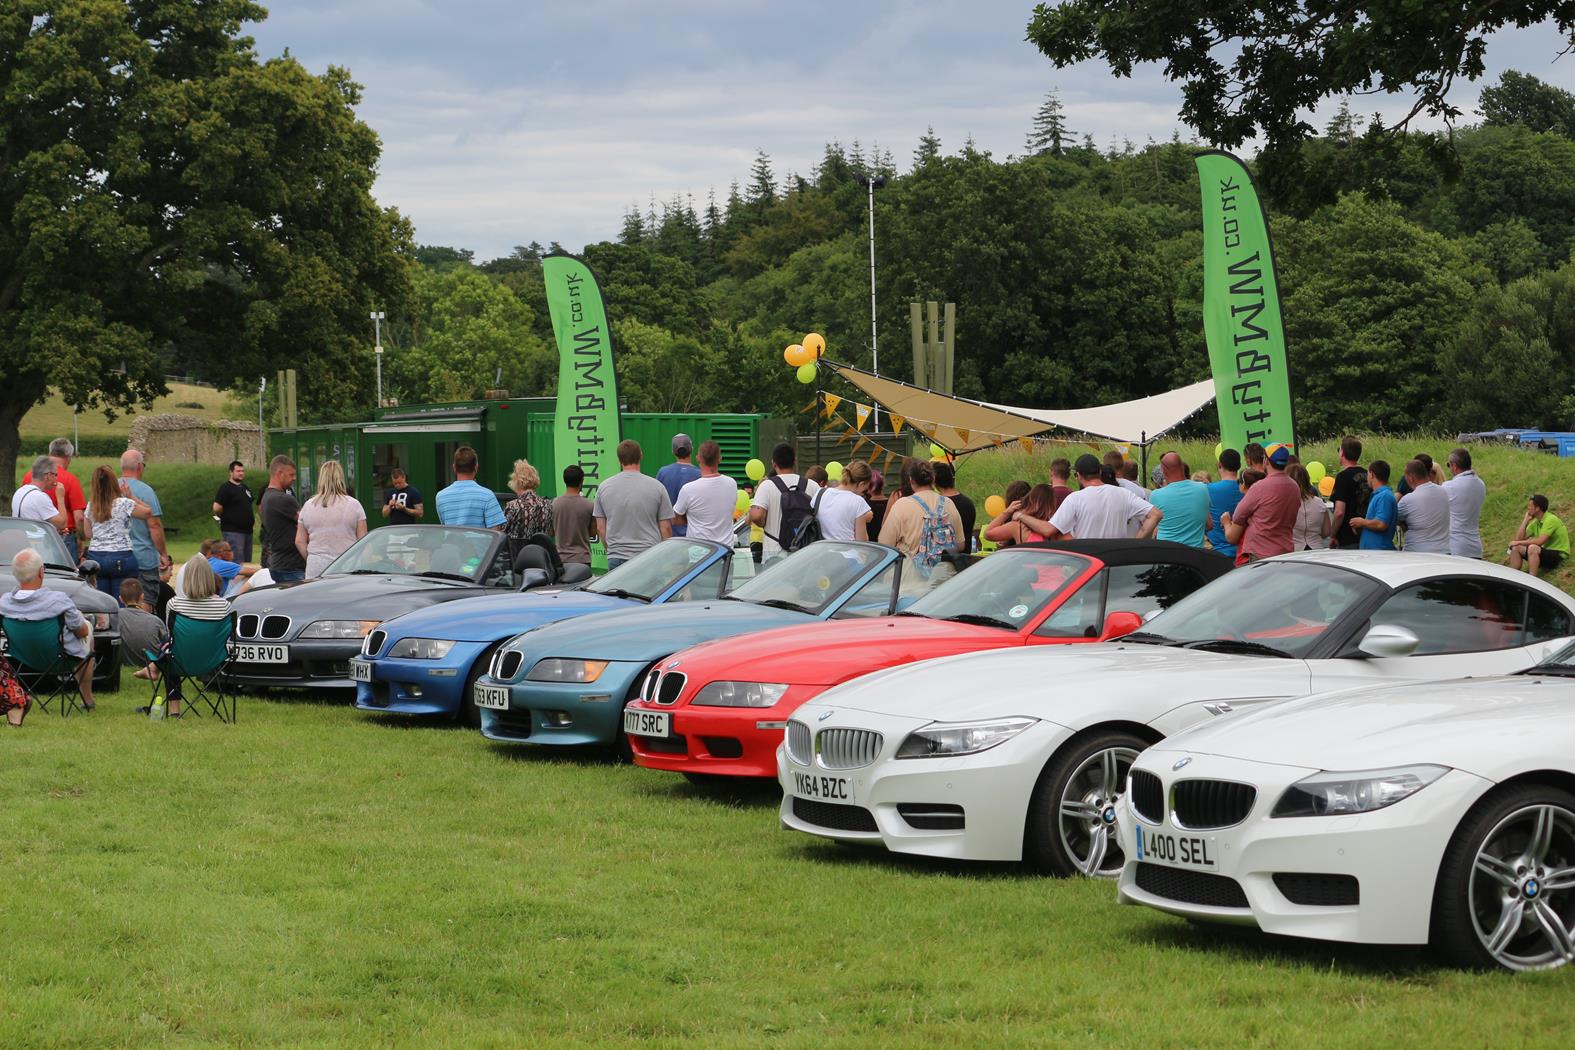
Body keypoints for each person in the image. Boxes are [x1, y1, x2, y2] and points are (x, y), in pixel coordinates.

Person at [0, 548, 94, 711]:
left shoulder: (4, 603)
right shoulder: (58, 601)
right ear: (41, 572)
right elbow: (82, 632)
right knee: (88, 629)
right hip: (59, 658)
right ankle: (88, 701)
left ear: (15, 574)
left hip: (21, 657)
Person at [148, 556, 233, 717]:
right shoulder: (224, 606)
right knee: (172, 649)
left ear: (187, 579)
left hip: (181, 660)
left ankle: (174, 710)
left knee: (171, 650)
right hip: (214, 661)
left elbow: (170, 635)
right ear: (209, 578)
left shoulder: (175, 604)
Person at [878, 459, 966, 595]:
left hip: (907, 584)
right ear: (933, 478)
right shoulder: (948, 503)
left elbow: (885, 544)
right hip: (942, 583)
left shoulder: (902, 505)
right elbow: (960, 545)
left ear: (911, 480)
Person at [1034, 454, 1160, 541]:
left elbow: (1049, 530)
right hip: (1116, 562)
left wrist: (1021, 515)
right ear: (1099, 472)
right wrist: (1135, 542)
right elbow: (1155, 515)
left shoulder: (1075, 498)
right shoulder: (1123, 494)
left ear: (1078, 475)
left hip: (1090, 563)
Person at [593, 439, 673, 570]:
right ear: (641, 456)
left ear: (619, 459)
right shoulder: (657, 487)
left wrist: (612, 549)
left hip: (616, 556)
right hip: (649, 555)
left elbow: (601, 529)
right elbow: (666, 528)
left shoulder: (603, 488)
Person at [81, 465, 152, 599]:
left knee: (101, 601)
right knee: (123, 600)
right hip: (121, 555)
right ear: (114, 483)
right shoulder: (124, 503)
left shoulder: (92, 506)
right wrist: (131, 496)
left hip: (97, 556)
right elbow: (148, 512)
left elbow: (88, 533)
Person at [1222, 444, 1300, 563]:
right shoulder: (1294, 486)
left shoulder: (1259, 487)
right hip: (1286, 550)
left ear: (1266, 460)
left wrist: (1227, 524)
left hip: (1262, 552)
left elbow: (1238, 516)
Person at [295, 460, 367, 578]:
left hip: (316, 565)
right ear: (341, 478)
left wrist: (312, 557)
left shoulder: (308, 505)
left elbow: (299, 541)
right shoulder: (354, 505)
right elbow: (363, 542)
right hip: (347, 564)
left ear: (321, 479)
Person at [749, 442, 820, 561]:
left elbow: (756, 515)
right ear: (795, 461)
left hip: (775, 554)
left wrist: (764, 523)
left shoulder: (767, 486)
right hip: (806, 554)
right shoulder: (812, 486)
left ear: (773, 463)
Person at [20, 439, 86, 559]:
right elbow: (79, 517)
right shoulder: (71, 480)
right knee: (65, 575)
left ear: (50, 453)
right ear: (68, 457)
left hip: (33, 535)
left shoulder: (29, 476)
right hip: (64, 537)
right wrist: (81, 539)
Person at [119, 449, 171, 596]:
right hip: (142, 557)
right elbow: (154, 526)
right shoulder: (146, 491)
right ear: (140, 466)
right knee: (145, 598)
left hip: (117, 555)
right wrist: (163, 553)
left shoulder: (110, 488)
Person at [672, 440, 739, 544]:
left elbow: (674, 519)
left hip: (699, 553)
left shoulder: (688, 489)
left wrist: (690, 518)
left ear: (698, 458)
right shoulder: (732, 484)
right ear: (720, 459)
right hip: (725, 553)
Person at [1149, 452, 1212, 548]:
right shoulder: (1203, 488)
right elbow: (1209, 525)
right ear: (1183, 467)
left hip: (1167, 554)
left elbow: (1152, 529)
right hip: (1195, 554)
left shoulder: (1156, 495)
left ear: (1163, 471)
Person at [258, 455, 306, 582]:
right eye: (291, 475)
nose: (294, 478)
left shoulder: (266, 497)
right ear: (280, 473)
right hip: (292, 567)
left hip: (278, 563)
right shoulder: (283, 499)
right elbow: (307, 523)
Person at [435, 446, 504, 529]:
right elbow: (495, 532)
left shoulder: (441, 496)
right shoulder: (487, 496)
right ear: (476, 467)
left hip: (451, 542)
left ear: (454, 468)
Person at [1395, 458, 1451, 554]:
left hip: (1418, 553)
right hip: (1444, 551)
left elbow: (1393, 518)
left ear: (1411, 477)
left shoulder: (1408, 499)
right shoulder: (1444, 492)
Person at [117, 578, 168, 681]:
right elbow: (166, 645)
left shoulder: (115, 617)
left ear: (120, 599)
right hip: (152, 663)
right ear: (142, 597)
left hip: (124, 662)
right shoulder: (156, 621)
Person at [1507, 494, 1570, 576]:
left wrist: (1518, 542)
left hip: (1558, 556)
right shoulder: (1536, 522)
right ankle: (1514, 576)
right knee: (1516, 548)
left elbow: (1540, 541)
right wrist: (1525, 521)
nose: (1528, 508)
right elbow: (1518, 539)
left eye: (1530, 506)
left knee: (1533, 547)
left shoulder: (1550, 519)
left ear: (1537, 508)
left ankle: (1532, 579)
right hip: (1546, 554)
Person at [813, 459, 874, 542]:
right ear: (861, 484)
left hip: (821, 551)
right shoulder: (858, 502)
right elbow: (862, 541)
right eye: (865, 490)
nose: (864, 493)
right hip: (847, 551)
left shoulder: (820, 493)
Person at [1443, 447, 1487, 558]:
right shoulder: (1481, 484)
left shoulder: (1449, 486)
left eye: (1449, 465)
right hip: (1475, 546)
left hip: (1455, 547)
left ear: (1454, 465)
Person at [656, 434, 701, 536]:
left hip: (669, 535)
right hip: (694, 537)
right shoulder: (700, 474)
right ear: (692, 450)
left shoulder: (663, 473)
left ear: (673, 452)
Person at [1327, 436, 1369, 548]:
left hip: (1347, 538)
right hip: (1367, 534)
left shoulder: (1342, 477)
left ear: (1342, 453)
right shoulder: (1368, 475)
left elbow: (1339, 512)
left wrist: (1332, 535)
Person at [1348, 460, 1398, 551]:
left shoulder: (1384, 496)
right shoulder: (1378, 496)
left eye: (1367, 474)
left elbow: (1381, 524)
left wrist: (1362, 522)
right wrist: (1361, 527)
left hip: (1379, 553)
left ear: (1372, 474)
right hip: (1372, 553)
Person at [211, 460, 255, 563]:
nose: (241, 473)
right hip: (233, 531)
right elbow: (216, 508)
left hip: (248, 531)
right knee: (236, 563)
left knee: (247, 562)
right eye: (238, 471)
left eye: (242, 471)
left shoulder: (245, 488)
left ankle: (244, 580)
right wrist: (226, 517)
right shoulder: (226, 488)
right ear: (231, 472)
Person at [987, 483, 1059, 546]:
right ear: (1053, 503)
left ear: (1031, 499)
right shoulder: (1057, 525)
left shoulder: (1018, 526)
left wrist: (1007, 512)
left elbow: (988, 534)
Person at [552, 465, 596, 566]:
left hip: (560, 559)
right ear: (582, 481)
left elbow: (551, 531)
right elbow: (593, 533)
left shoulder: (554, 504)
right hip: (582, 559)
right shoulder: (589, 505)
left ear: (564, 480)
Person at [11, 456, 69, 531]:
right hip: (35, 541)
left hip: (21, 538)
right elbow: (62, 524)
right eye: (55, 475)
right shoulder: (40, 497)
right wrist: (60, 497)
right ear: (48, 476)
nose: (56, 479)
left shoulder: (19, 491)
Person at [503, 460, 554, 541]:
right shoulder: (547, 505)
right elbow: (551, 532)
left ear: (517, 482)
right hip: (541, 551)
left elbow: (502, 534)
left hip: (518, 552)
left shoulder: (513, 506)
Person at [1287, 464, 1331, 551]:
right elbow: (1326, 531)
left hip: (1294, 551)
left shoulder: (1285, 504)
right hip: (1316, 549)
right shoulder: (1319, 503)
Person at [934, 462, 975, 552]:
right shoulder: (968, 503)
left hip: (947, 559)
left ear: (934, 482)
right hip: (966, 558)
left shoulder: (939, 505)